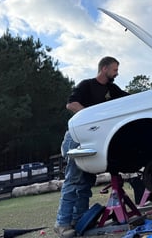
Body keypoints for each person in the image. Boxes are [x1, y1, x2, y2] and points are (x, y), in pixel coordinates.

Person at [54, 56, 129, 238]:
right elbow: (71, 104)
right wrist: (92, 116)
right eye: (114, 70)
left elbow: (127, 99)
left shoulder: (112, 89)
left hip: (94, 139)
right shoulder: (86, 85)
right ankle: (62, 223)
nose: (117, 73)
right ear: (104, 69)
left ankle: (78, 220)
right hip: (77, 137)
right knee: (73, 180)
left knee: (86, 181)